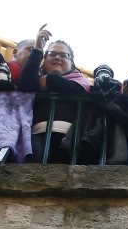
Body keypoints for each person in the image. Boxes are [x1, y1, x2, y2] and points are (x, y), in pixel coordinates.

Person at [17, 25, 90, 163]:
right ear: (43, 62)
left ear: (72, 64)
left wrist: (50, 80)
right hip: (37, 136)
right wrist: (38, 48)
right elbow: (25, 85)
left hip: (70, 139)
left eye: (64, 55)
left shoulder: (81, 81)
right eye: (51, 54)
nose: (57, 57)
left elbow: (76, 89)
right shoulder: (36, 78)